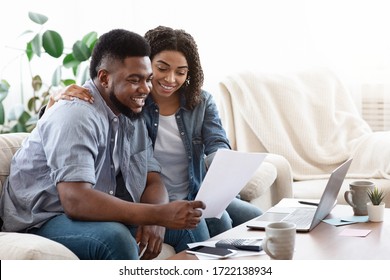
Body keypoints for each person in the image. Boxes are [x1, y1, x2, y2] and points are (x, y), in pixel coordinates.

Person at [0, 29, 205, 260]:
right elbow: (75, 201)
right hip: (44, 217)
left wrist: (155, 217)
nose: (146, 89)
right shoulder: (77, 114)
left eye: (147, 79)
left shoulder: (130, 112)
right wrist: (155, 214)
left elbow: (152, 177)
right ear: (105, 78)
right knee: (115, 238)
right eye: (134, 80)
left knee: (192, 226)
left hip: (93, 210)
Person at [46, 26, 262, 239]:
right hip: (152, 198)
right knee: (219, 220)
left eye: (180, 72)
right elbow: (93, 97)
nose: (171, 79)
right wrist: (54, 99)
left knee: (258, 219)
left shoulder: (201, 102)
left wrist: (225, 167)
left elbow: (217, 142)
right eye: (163, 68)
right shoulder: (132, 103)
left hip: (195, 191)